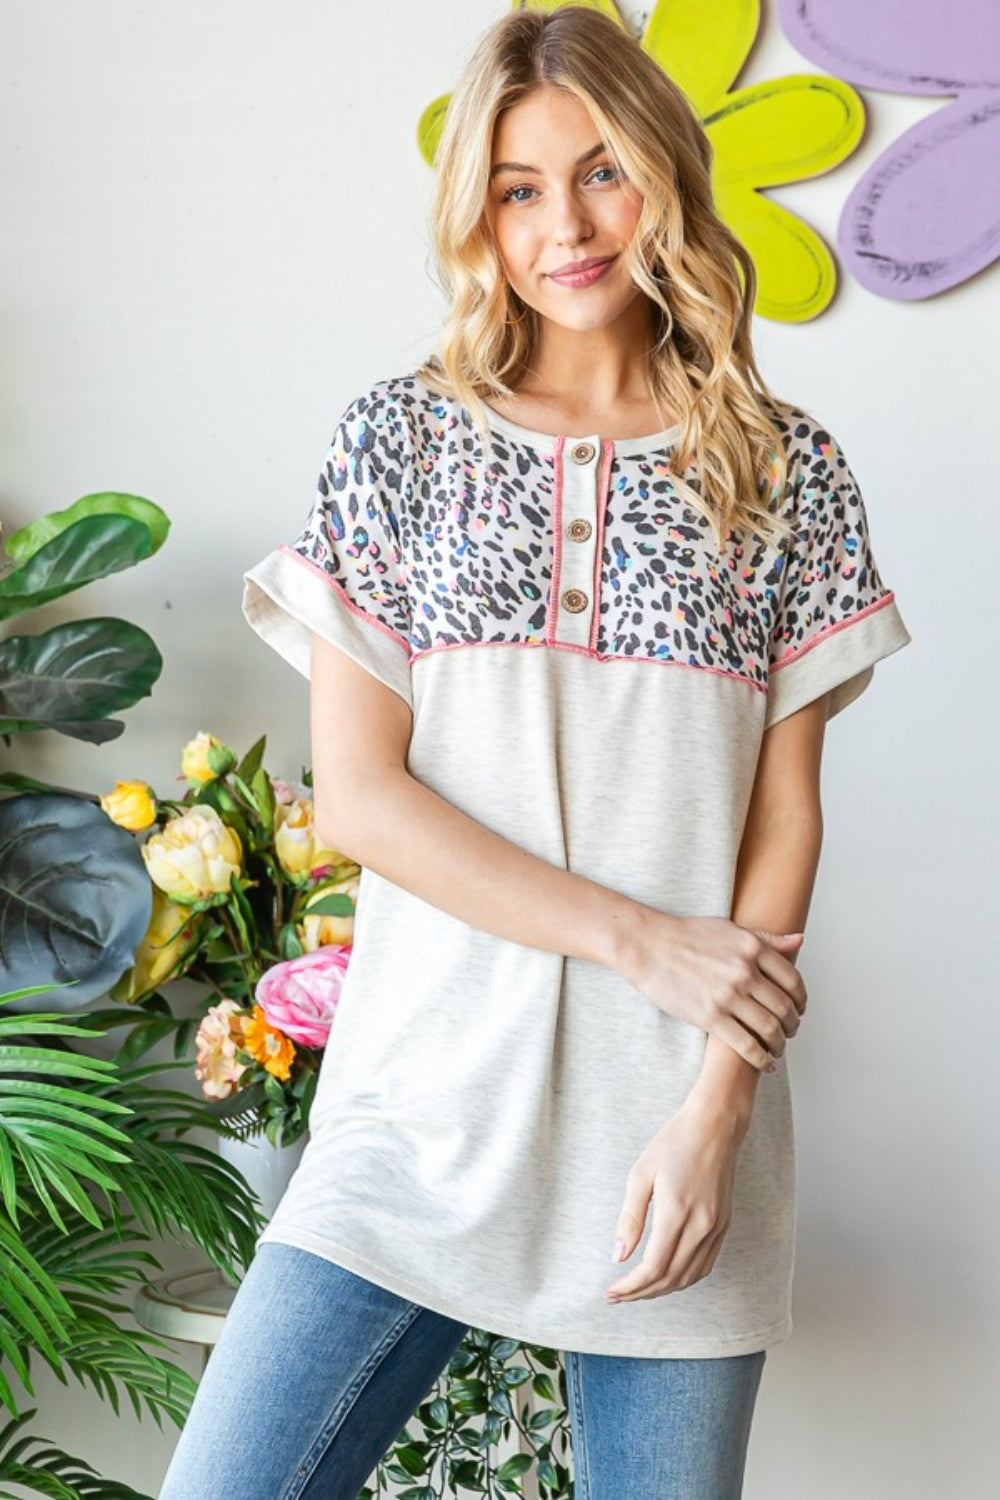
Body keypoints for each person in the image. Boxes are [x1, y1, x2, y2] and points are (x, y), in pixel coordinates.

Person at [160, 7, 911, 1498]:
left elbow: (783, 821)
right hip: (415, 1117)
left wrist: (715, 1112)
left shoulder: (784, 468)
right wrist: (645, 942)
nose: (562, 225)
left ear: (669, 181)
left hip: (674, 1133)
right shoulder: (400, 445)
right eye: (516, 186)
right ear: (476, 212)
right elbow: (364, 804)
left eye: (601, 172)